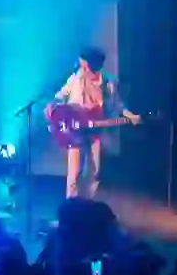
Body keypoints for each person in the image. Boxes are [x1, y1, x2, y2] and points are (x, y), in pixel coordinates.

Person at [45, 47, 140, 199]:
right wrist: (53, 104)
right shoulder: (76, 78)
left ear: (92, 64)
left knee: (93, 170)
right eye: (81, 63)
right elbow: (61, 95)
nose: (82, 67)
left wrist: (130, 116)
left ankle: (88, 202)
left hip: (94, 129)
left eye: (84, 64)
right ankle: (71, 204)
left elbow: (117, 104)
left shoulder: (107, 82)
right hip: (75, 129)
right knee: (74, 171)